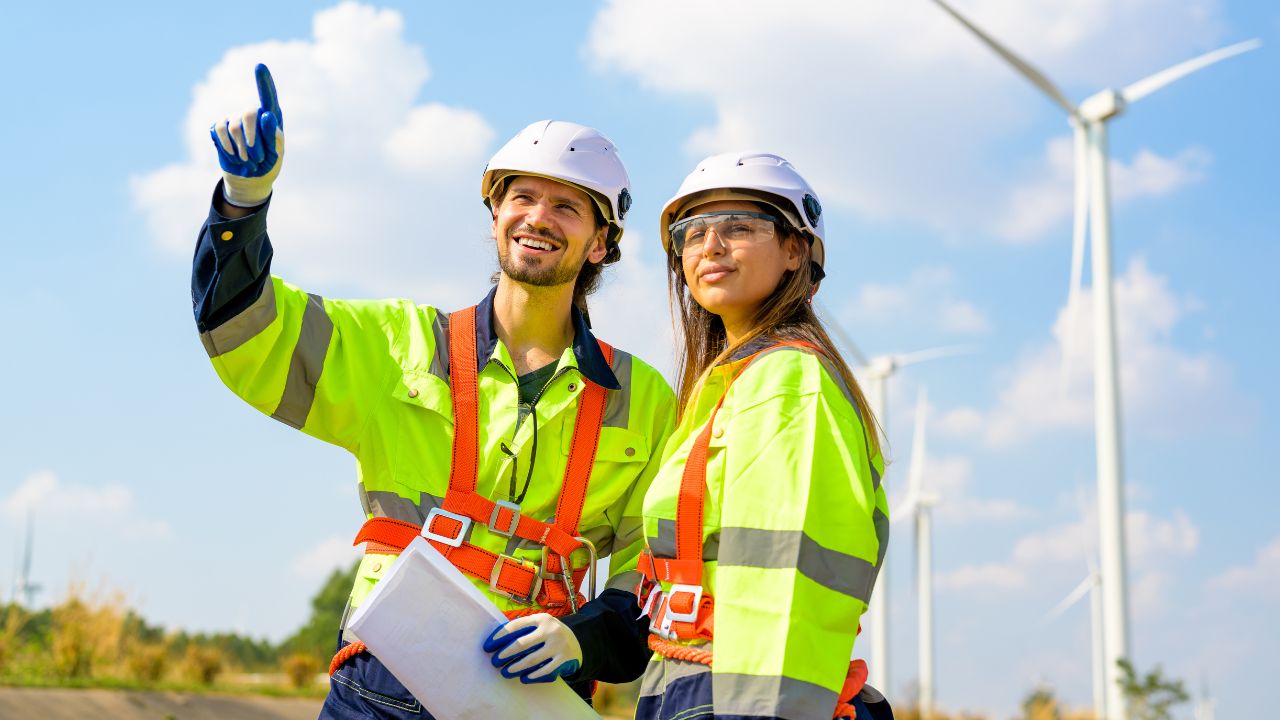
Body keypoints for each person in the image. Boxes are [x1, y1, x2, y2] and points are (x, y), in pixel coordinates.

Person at [194, 64, 675, 718]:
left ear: (601, 244)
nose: (539, 217)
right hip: (386, 680)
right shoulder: (399, 343)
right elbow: (250, 332)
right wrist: (243, 203)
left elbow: (654, 575)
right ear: (496, 214)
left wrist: (581, 639)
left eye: (566, 206)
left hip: (532, 693)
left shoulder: (643, 398)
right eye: (521, 197)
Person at [628, 151, 892, 719]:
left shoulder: (789, 380)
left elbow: (786, 579)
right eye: (691, 233)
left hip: (737, 692)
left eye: (738, 227)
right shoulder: (730, 383)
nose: (710, 246)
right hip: (690, 681)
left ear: (796, 250)